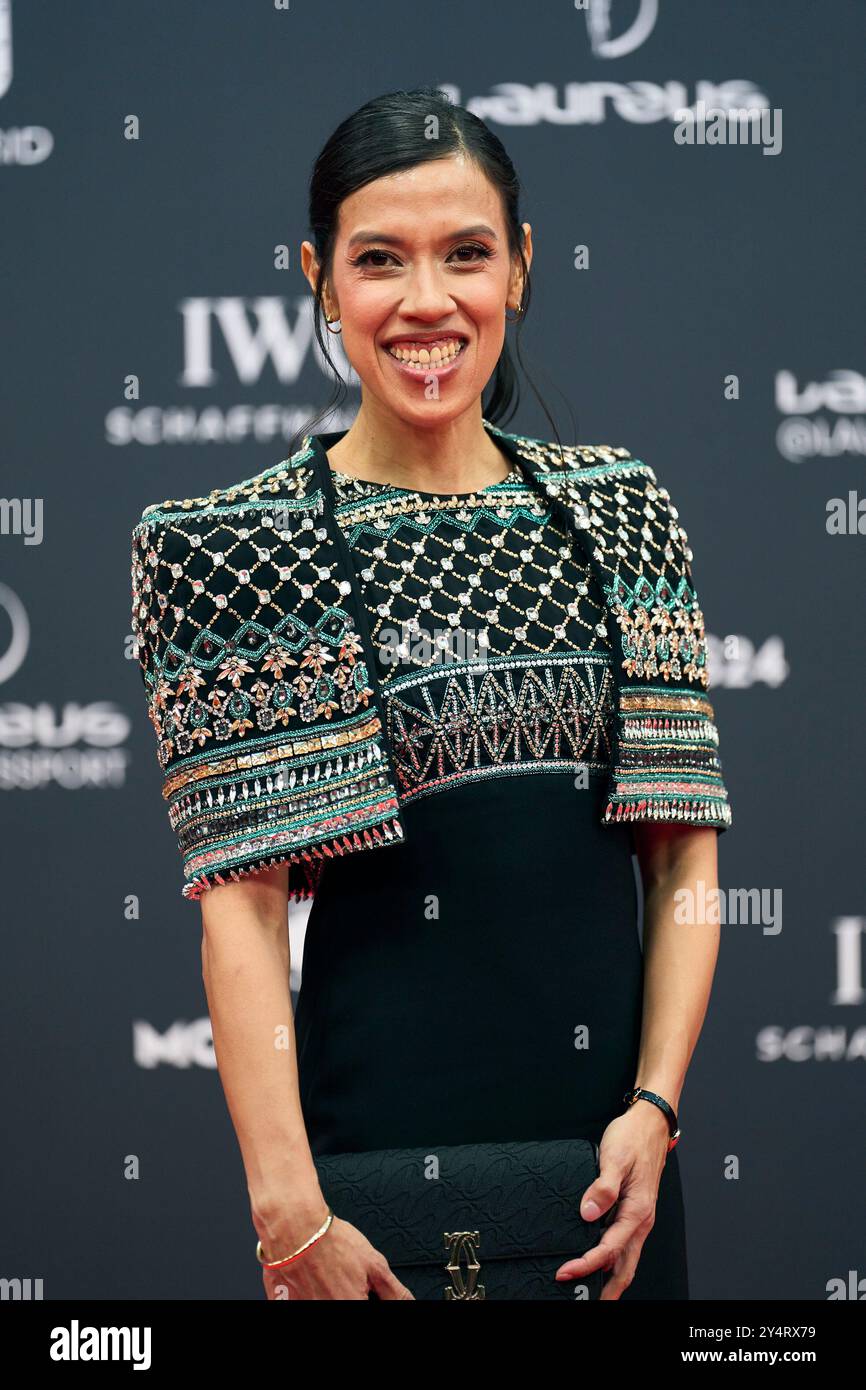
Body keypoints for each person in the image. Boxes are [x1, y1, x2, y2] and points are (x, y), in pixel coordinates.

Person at [130, 87, 732, 1301]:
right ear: (318, 278)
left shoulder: (619, 508)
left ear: (516, 267)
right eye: (376, 260)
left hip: (610, 1184)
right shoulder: (235, 546)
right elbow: (238, 916)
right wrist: (289, 1208)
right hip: (367, 1197)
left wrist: (654, 1113)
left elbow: (681, 863)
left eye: (464, 253)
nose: (424, 301)